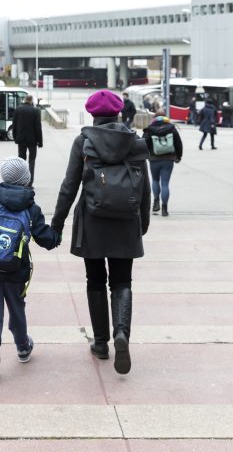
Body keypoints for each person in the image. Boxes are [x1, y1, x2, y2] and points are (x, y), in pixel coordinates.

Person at [51, 90, 150, 375]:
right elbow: (145, 188)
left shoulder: (84, 141)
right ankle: (122, 333)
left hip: (92, 222)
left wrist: (57, 224)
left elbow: (69, 186)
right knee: (122, 281)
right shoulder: (133, 141)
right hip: (126, 221)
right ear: (119, 113)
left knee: (95, 280)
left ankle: (101, 342)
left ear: (93, 114)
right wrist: (142, 222)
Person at [0, 157, 60, 380]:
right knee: (17, 310)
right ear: (26, 179)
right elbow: (45, 238)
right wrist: (57, 236)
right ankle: (23, 347)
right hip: (16, 270)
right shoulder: (31, 207)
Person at [142, 107, 183, 217]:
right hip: (168, 159)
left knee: (155, 180)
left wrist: (146, 155)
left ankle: (156, 202)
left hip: (154, 159)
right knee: (165, 183)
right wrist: (178, 156)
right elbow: (178, 144)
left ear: (154, 118)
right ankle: (165, 208)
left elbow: (143, 143)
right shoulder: (172, 128)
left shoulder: (150, 129)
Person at [11, 95, 43, 187]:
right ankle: (30, 182)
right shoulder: (36, 111)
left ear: (24, 100)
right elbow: (38, 127)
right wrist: (40, 142)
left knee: (21, 160)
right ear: (31, 101)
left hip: (21, 139)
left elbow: (14, 125)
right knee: (32, 161)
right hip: (32, 140)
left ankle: (21, 181)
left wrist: (15, 137)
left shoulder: (18, 109)